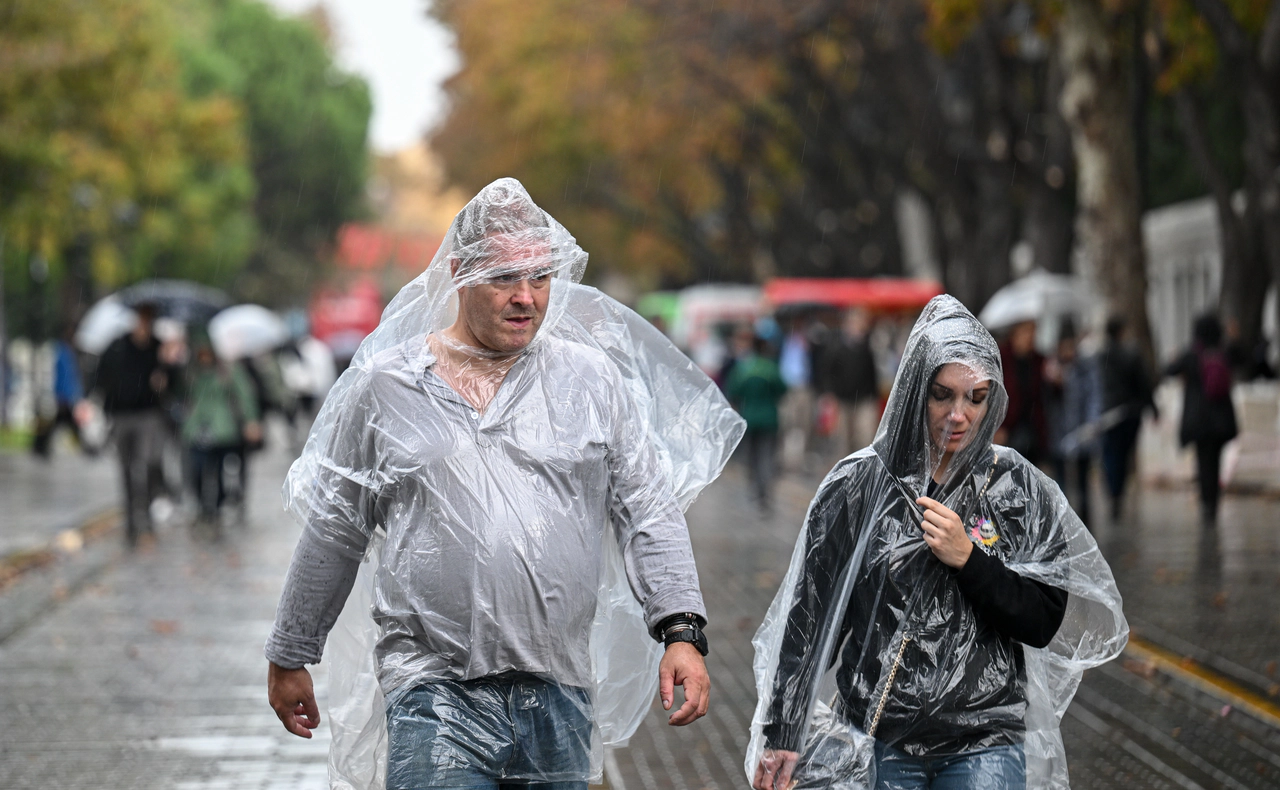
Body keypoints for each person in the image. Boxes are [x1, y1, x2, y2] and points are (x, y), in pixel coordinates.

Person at [265, 179, 743, 790]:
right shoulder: (387, 387)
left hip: (558, 693)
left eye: (541, 278)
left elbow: (646, 509)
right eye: (504, 279)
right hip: (433, 692)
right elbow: (335, 531)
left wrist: (681, 630)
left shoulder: (590, 381)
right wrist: (291, 652)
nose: (526, 298)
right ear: (460, 274)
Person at [748, 295, 1126, 790]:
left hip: (985, 740)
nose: (958, 415)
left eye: (976, 397)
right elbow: (810, 619)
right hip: (881, 741)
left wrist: (969, 560)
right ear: (912, 390)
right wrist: (782, 728)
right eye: (942, 395)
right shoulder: (859, 485)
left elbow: (1042, 619)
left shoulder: (1016, 489)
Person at [91, 302, 171, 548]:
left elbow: (172, 381)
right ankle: (130, 522)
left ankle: (145, 519)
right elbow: (101, 376)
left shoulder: (160, 348)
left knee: (147, 464)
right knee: (125, 469)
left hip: (148, 414)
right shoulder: (117, 346)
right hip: (121, 415)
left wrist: (166, 373)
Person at [180, 340, 261, 536]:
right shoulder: (191, 372)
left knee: (217, 472)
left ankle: (215, 509)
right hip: (197, 428)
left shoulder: (228, 371)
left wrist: (251, 420)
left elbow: (245, 395)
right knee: (197, 471)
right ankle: (203, 507)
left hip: (222, 430)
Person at [1165, 314, 1238, 528]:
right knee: (1215, 461)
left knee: (1203, 462)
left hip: (1198, 419)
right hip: (1221, 419)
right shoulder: (1223, 352)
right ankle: (1213, 502)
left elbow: (1169, 370)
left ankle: (1207, 504)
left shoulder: (1191, 354)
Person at [1098, 316, 1158, 520]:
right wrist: (1153, 408)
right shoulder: (1131, 355)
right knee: (1123, 455)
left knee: (1111, 455)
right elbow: (1144, 383)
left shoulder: (1100, 357)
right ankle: (1118, 493)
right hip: (1129, 413)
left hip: (1108, 414)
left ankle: (1114, 493)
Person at [1045, 324, 1102, 527]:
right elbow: (1046, 403)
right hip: (1059, 433)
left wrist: (1092, 423)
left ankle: (1086, 522)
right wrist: (1055, 384)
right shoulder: (1050, 369)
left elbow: (1093, 397)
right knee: (1060, 482)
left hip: (1082, 433)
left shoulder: (1085, 367)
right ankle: (1064, 521)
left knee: (1083, 483)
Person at [727, 335, 789, 511]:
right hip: (769, 418)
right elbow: (783, 389)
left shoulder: (744, 368)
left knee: (752, 457)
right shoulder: (771, 368)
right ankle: (765, 491)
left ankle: (754, 488)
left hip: (750, 418)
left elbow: (735, 390)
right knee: (767, 456)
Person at [819, 309, 880, 460]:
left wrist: (874, 396)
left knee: (864, 436)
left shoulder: (867, 346)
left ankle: (861, 466)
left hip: (863, 398)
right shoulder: (837, 346)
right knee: (843, 439)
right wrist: (830, 395)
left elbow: (872, 373)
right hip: (843, 399)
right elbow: (828, 372)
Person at [994, 319, 1047, 466]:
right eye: (1027, 331)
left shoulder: (1039, 360)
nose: (1031, 336)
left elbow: (1042, 396)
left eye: (1033, 331)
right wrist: (998, 427)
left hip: (1032, 428)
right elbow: (994, 394)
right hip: (1007, 428)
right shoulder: (1001, 357)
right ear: (1015, 333)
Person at [31, 324, 88, 458]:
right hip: (63, 396)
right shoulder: (62, 352)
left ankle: (40, 445)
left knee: (62, 423)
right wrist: (63, 394)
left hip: (66, 395)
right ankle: (40, 445)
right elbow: (63, 376)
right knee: (63, 423)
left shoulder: (68, 352)